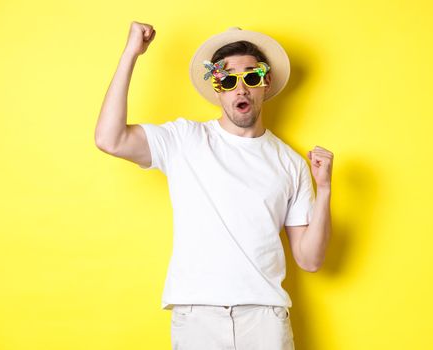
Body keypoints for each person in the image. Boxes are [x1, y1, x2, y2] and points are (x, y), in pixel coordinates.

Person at [94, 21, 333, 350]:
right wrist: (131, 53)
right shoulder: (185, 139)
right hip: (197, 317)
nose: (241, 89)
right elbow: (110, 138)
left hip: (265, 318)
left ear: (266, 81)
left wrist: (325, 191)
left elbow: (310, 259)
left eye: (251, 76)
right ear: (217, 87)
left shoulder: (290, 162)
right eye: (228, 79)